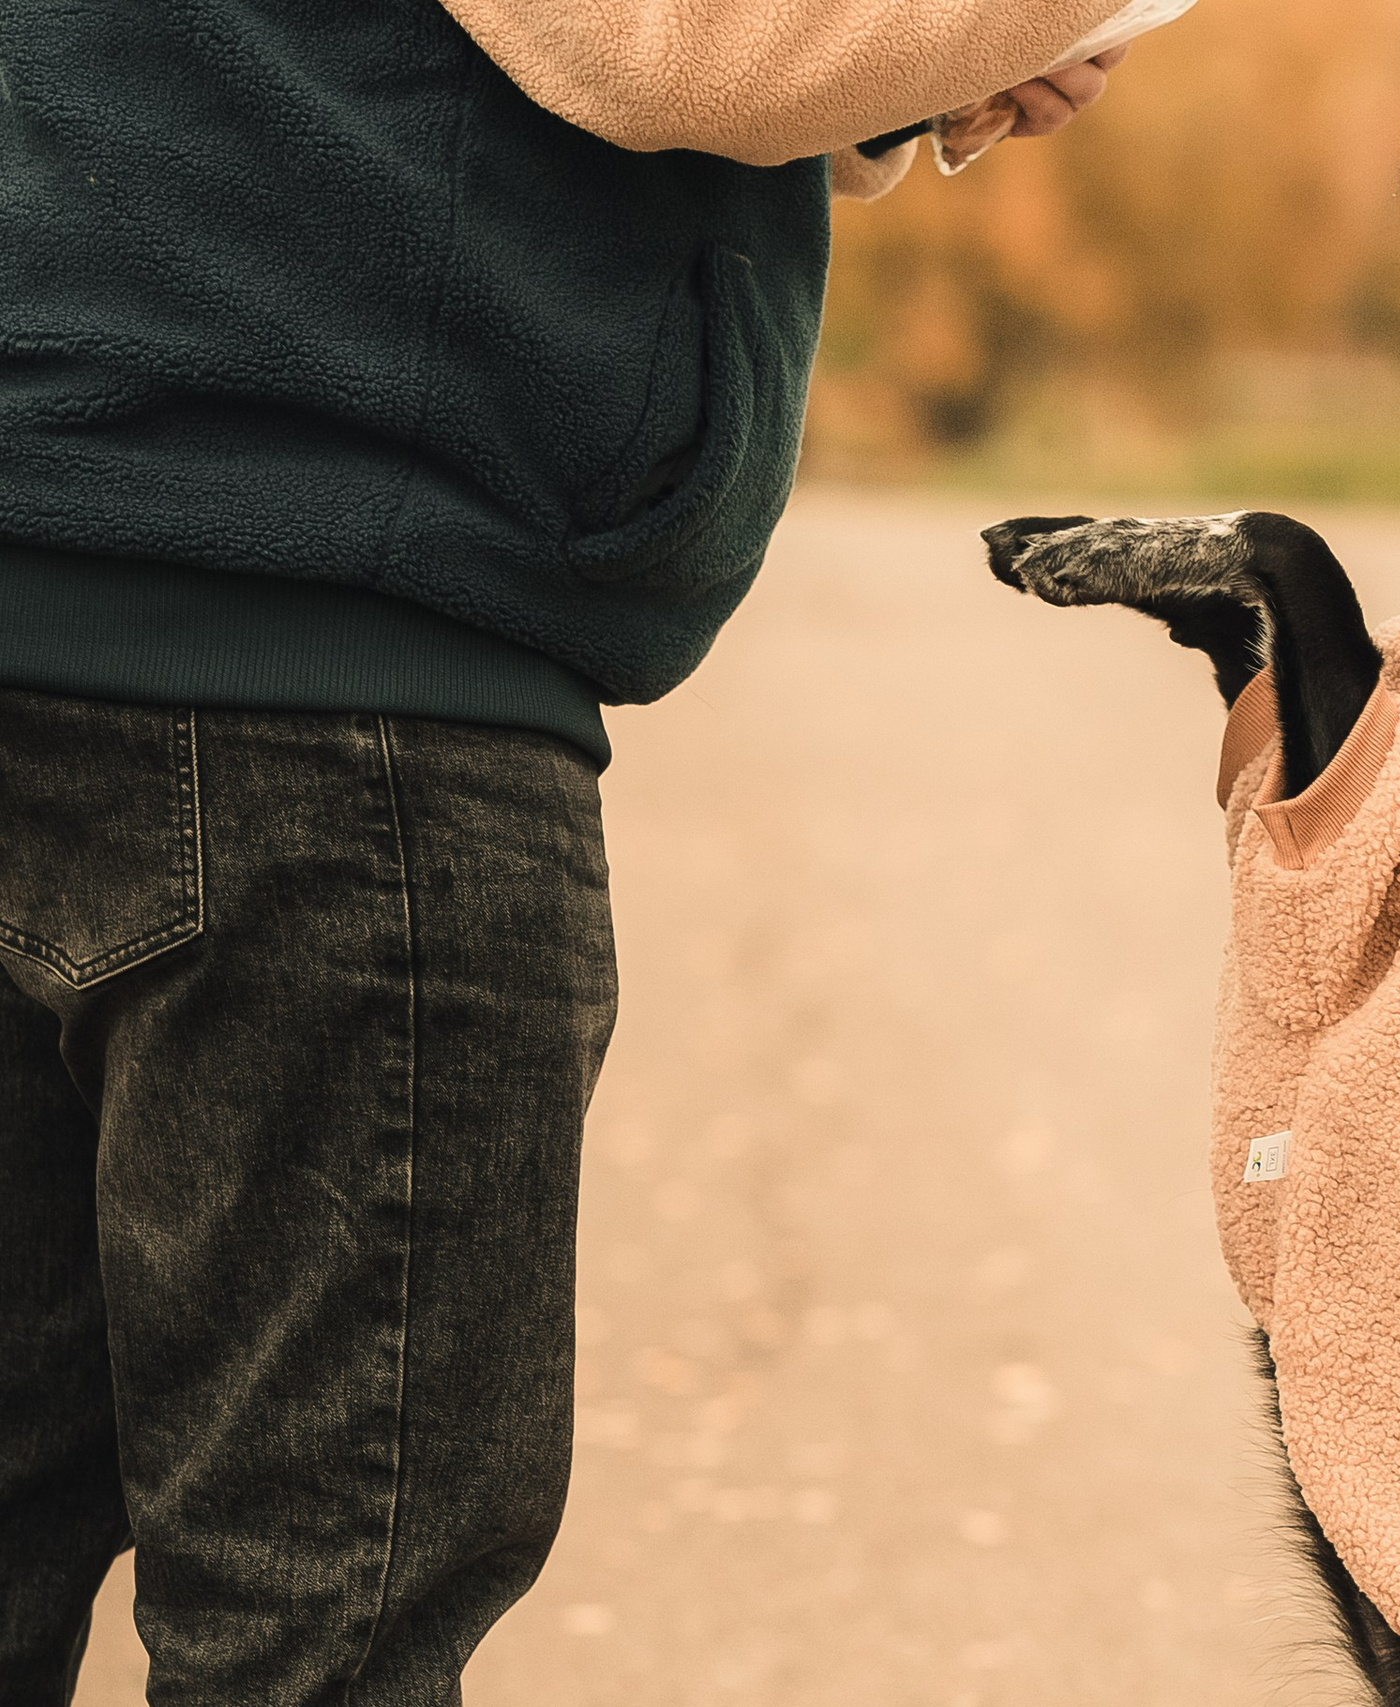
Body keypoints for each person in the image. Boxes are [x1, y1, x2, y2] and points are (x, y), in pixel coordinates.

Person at [0, 3, 1134, 1700]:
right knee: (321, 1623)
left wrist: (913, 68)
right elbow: (685, 40)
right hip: (334, 668)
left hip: (83, 527)